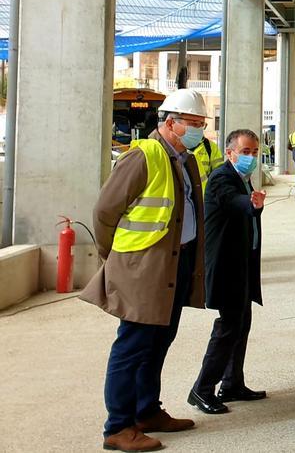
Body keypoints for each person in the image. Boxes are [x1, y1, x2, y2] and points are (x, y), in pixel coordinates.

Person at [81, 89, 209, 453]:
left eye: (202, 125)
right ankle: (118, 427)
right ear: (171, 123)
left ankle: (147, 411)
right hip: (143, 269)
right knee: (133, 345)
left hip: (175, 264)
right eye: (194, 125)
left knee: (158, 342)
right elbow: (105, 212)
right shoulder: (143, 156)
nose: (200, 132)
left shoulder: (185, 159)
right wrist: (116, 257)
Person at [189, 129, 267, 415]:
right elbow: (232, 201)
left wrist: (251, 204)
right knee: (228, 327)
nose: (251, 158)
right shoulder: (223, 177)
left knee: (241, 323)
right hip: (226, 265)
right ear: (230, 152)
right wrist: (250, 203)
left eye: (255, 153)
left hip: (241, 264)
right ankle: (202, 389)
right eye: (245, 152)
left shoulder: (241, 178)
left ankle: (232, 383)